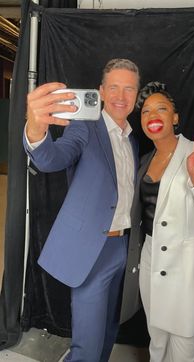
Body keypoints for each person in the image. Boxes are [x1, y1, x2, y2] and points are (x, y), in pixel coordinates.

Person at [23, 58, 140, 362]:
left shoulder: (134, 141)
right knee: (87, 346)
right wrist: (36, 130)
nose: (120, 95)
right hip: (94, 249)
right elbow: (52, 158)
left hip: (124, 248)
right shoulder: (84, 127)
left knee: (109, 332)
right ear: (100, 91)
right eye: (113, 87)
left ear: (136, 95)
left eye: (129, 88)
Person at [124, 81, 194, 362]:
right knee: (157, 340)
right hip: (151, 260)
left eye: (161, 109)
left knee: (184, 349)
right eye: (146, 111)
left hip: (187, 269)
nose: (152, 116)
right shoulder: (145, 160)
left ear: (175, 117)